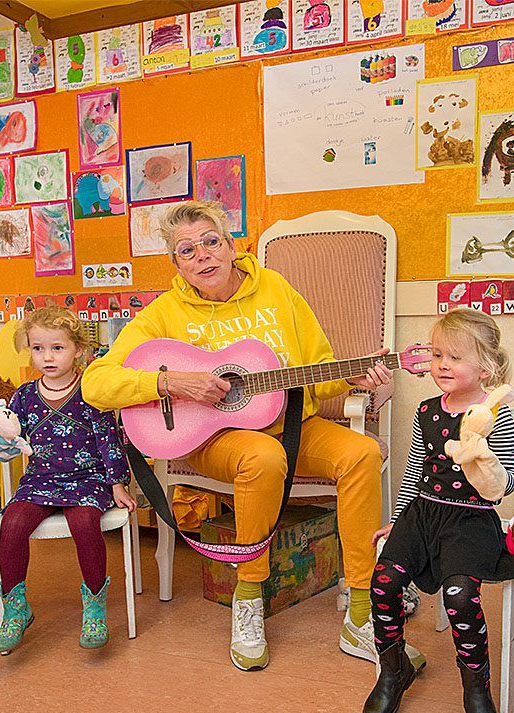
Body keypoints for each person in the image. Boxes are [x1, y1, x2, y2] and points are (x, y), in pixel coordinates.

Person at [82, 200, 391, 670]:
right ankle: (248, 599)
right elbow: (95, 384)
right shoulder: (164, 313)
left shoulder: (276, 289)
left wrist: (352, 377)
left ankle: (362, 612)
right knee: (263, 457)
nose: (203, 255)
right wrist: (168, 383)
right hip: (216, 439)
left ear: (230, 245)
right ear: (176, 263)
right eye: (187, 250)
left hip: (294, 425)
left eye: (211, 241)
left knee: (362, 453)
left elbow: (319, 370)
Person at [363, 307, 514, 713]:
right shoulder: (426, 411)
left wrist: (485, 462)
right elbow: (415, 471)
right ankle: (393, 668)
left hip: (470, 519)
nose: (442, 365)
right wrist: (398, 520)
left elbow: (505, 486)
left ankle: (477, 693)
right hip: (424, 514)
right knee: (382, 582)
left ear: (486, 368)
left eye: (455, 357)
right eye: (438, 354)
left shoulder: (497, 415)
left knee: (460, 595)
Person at [0, 306, 136, 654]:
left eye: (57, 348)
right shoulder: (24, 396)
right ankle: (16, 608)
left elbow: (108, 438)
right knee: (11, 524)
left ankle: (94, 607)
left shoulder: (91, 390)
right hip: (40, 480)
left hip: (88, 481)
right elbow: (9, 442)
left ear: (79, 351)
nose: (47, 357)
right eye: (38, 348)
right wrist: (0, 436)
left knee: (85, 523)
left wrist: (117, 483)